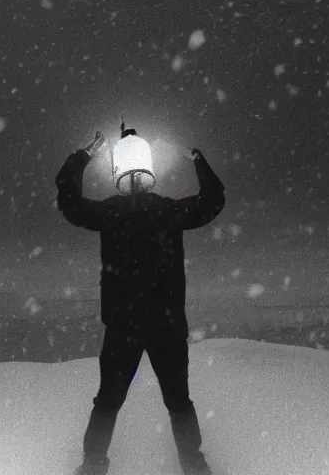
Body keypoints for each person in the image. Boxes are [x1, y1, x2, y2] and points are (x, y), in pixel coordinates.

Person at [55, 129, 226, 475]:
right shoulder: (169, 211)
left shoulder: (110, 214)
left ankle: (92, 466)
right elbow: (213, 201)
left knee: (108, 402)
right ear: (148, 172)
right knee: (178, 402)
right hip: (166, 325)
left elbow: (69, 201)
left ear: (120, 173)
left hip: (124, 327)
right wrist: (195, 157)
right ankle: (194, 465)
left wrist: (83, 156)